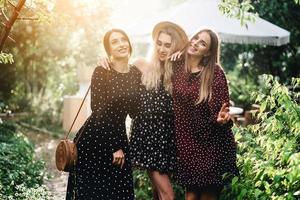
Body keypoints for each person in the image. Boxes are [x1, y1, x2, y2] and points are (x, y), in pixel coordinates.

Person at [98, 21, 189, 200]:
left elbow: (198, 55)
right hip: (147, 137)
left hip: (168, 138)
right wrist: (105, 60)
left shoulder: (178, 72)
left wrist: (183, 53)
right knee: (168, 195)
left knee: (158, 192)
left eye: (168, 45)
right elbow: (119, 70)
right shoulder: (140, 65)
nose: (162, 49)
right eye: (159, 43)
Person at [66, 29, 141, 200]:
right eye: (114, 42)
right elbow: (98, 110)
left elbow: (134, 112)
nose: (121, 44)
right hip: (95, 138)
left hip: (119, 136)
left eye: (123, 39)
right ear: (108, 49)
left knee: (119, 192)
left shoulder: (136, 73)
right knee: (94, 193)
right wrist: (115, 146)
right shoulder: (102, 71)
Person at [171, 29, 238, 200]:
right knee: (191, 195)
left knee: (207, 195)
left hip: (212, 143)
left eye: (202, 43)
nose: (195, 43)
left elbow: (223, 112)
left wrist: (222, 119)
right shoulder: (177, 66)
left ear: (208, 52)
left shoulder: (215, 73)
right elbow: (154, 63)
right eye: (195, 38)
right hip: (187, 142)